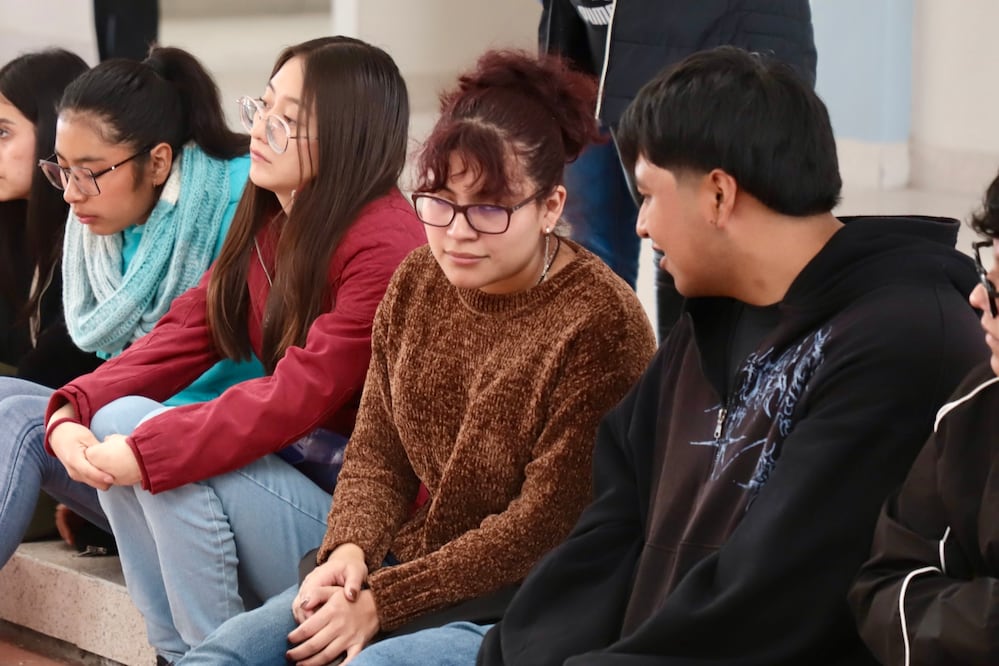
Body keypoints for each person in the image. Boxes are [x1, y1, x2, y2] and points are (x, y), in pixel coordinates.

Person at [370, 45, 985, 665]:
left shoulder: (900, 340)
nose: (640, 226)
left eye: (649, 195)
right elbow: (612, 523)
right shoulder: (718, 311)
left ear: (718, 195)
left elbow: (772, 602)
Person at [176, 49, 657, 666]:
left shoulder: (601, 324)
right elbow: (379, 451)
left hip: (525, 607)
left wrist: (385, 602)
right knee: (225, 656)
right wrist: (348, 550)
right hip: (410, 567)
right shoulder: (418, 279)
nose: (457, 232)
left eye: (489, 209)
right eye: (437, 201)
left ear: (551, 208)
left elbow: (542, 528)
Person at [44, 36, 427, 664]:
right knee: (117, 417)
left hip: (362, 534)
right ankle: (177, 651)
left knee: (153, 443)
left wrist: (147, 451)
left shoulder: (386, 246)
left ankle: (215, 651)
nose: (261, 130)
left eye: (288, 121)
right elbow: (181, 334)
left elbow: (293, 398)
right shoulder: (274, 220)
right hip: (293, 486)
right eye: (263, 107)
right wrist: (73, 407)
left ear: (348, 134)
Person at [0, 44, 261, 565]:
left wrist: (93, 419)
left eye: (90, 172)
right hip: (134, 448)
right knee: (8, 399)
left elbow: (247, 380)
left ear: (159, 161)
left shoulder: (242, 206)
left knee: (60, 418)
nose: (71, 194)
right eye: (63, 170)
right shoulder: (107, 224)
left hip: (220, 461)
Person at [541, 0, 816, 339]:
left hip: (702, 45)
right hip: (593, 51)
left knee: (690, 254)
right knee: (597, 259)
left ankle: (694, 384)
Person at [848, 174, 999, 666]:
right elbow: (886, 588)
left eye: (996, 285)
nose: (978, 299)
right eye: (987, 273)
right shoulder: (976, 409)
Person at [0, 49, 100, 387]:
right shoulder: (11, 220)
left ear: (53, 133)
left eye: (3, 133)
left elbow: (59, 364)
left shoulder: (99, 231)